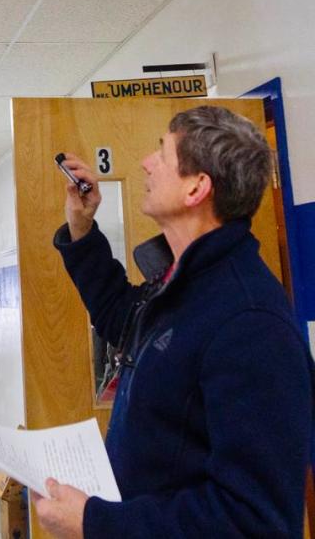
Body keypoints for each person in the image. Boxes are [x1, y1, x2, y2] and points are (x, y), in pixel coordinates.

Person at [35, 105, 314, 538]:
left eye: (162, 153)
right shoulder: (186, 282)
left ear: (196, 188)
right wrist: (81, 227)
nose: (147, 162)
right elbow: (121, 319)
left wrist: (96, 523)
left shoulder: (250, 323)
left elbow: (254, 521)